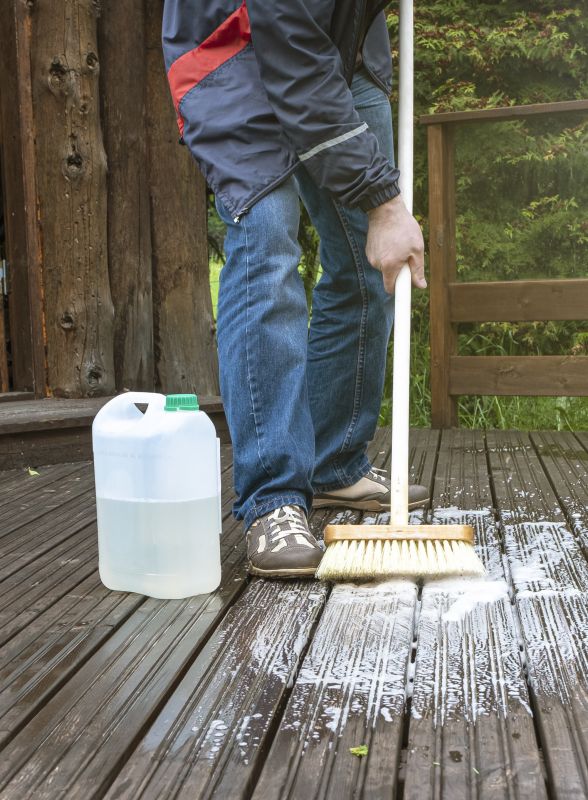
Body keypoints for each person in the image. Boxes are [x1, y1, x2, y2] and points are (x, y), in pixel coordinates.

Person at [162, 0, 428, 578]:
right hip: (230, 45)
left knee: (365, 258)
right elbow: (290, 44)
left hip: (338, 46)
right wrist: (384, 200)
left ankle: (332, 461)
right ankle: (273, 496)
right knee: (266, 237)